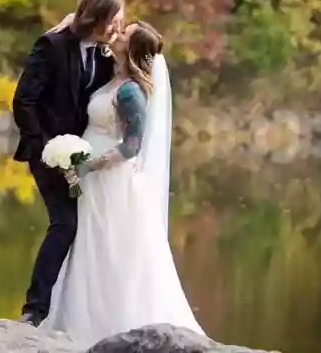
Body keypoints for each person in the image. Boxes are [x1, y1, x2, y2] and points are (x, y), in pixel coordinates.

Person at [36, 19, 205, 347]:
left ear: (133, 48)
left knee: (107, 247)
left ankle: (109, 327)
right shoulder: (112, 78)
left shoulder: (130, 91)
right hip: (90, 177)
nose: (117, 33)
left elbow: (132, 146)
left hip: (110, 181)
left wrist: (89, 166)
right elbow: (77, 46)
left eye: (124, 33)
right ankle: (73, 321)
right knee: (85, 244)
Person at [12, 0, 124, 327]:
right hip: (47, 153)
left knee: (90, 226)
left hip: (85, 158)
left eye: (120, 22)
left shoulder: (106, 54)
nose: (117, 28)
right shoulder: (52, 45)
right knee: (65, 223)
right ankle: (35, 310)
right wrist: (43, 148)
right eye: (113, 21)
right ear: (96, 18)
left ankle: (88, 312)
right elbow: (23, 101)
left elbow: (141, 48)